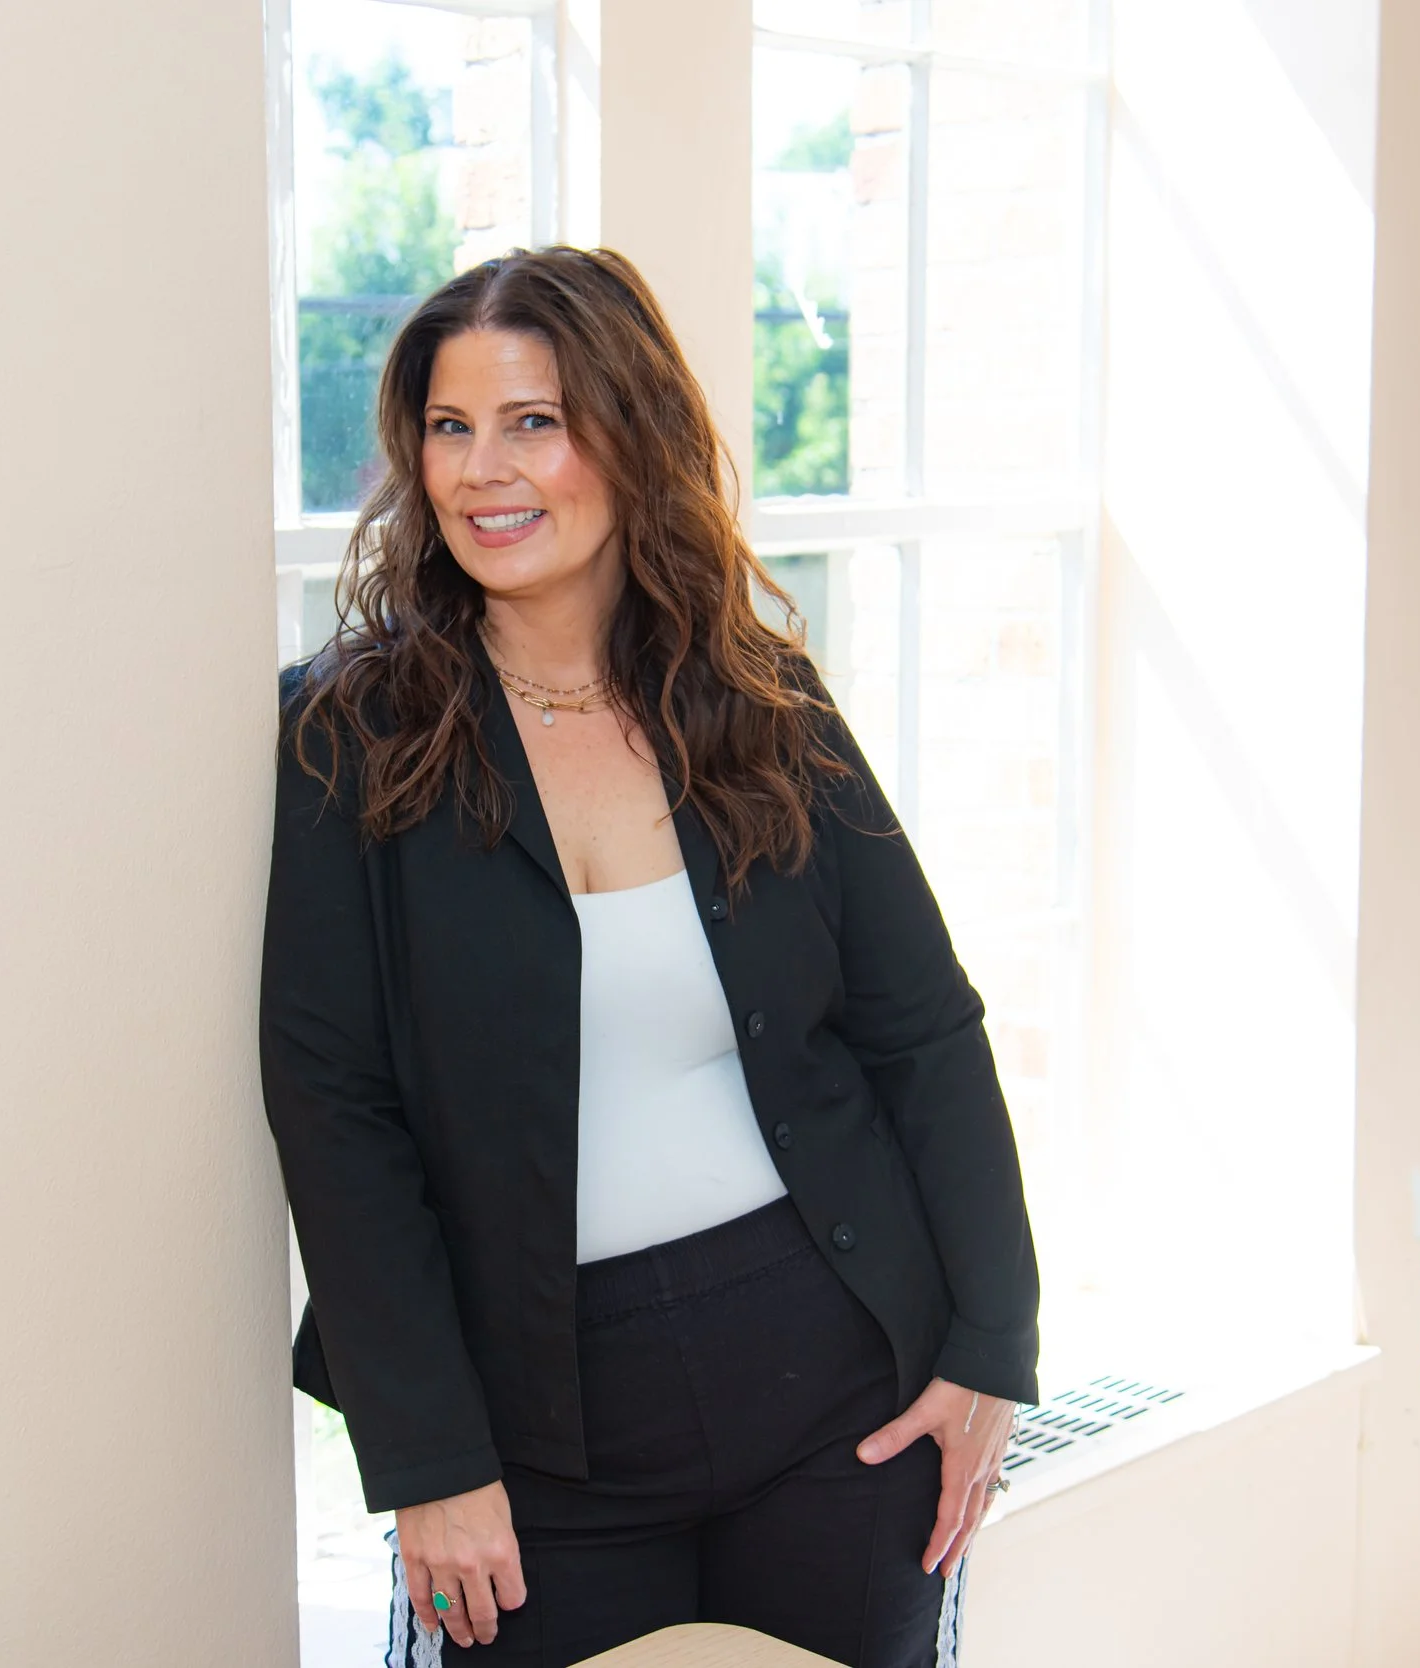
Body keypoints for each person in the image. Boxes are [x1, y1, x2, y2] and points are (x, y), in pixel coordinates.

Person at [261, 245, 1040, 1667]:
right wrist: (428, 1458)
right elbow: (335, 1116)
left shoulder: (762, 700)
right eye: (450, 426)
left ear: (629, 432)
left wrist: (992, 1342)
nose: (484, 471)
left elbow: (923, 1028)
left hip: (839, 1391)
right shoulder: (348, 738)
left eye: (535, 421)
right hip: (532, 1437)